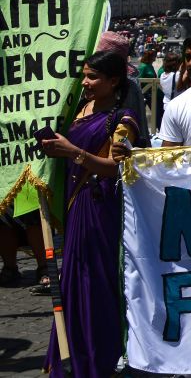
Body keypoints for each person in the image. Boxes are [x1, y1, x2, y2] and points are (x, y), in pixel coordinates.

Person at [37, 51, 140, 378]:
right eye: (84, 75)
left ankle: (98, 360)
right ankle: (69, 356)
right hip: (75, 206)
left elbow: (115, 168)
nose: (85, 82)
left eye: (92, 77)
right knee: (72, 282)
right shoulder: (77, 110)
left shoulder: (123, 121)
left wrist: (73, 152)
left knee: (95, 284)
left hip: (100, 210)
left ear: (113, 81)